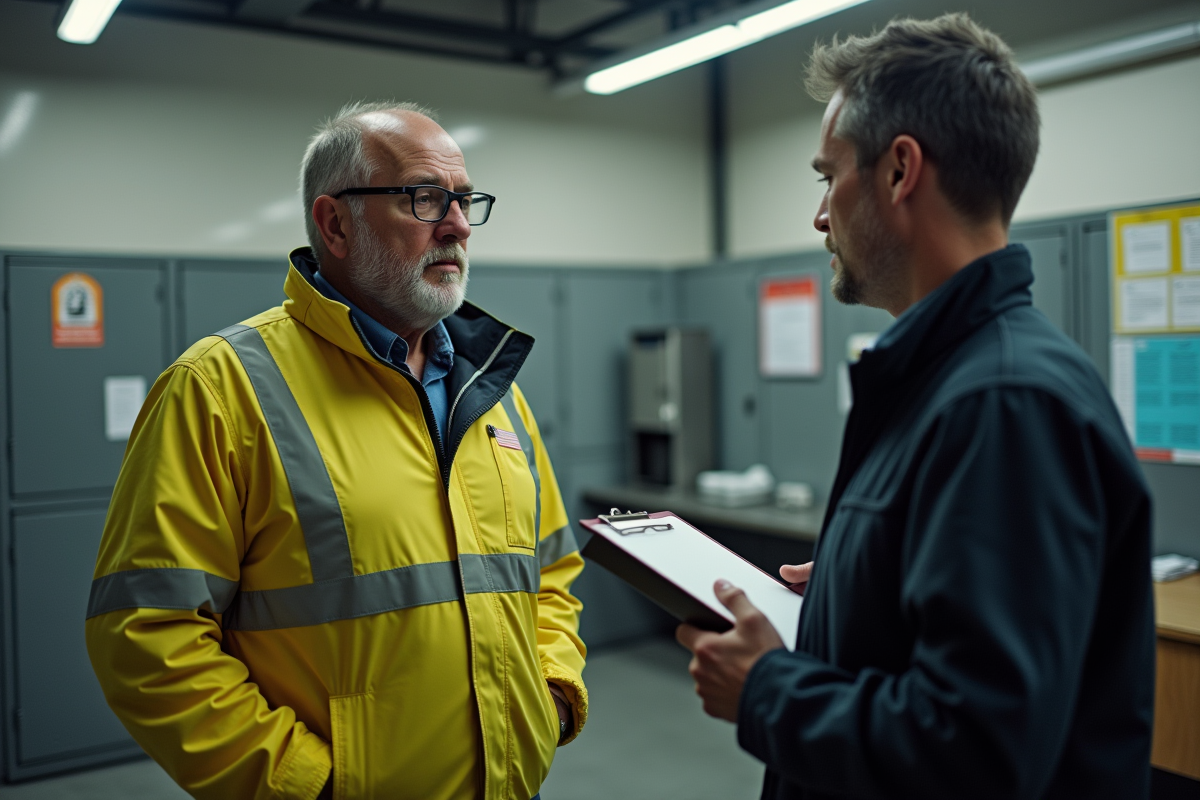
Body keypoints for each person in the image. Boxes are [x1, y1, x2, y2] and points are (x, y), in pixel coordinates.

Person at [677, 15, 1155, 800]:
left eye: (828, 176)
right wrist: (843, 595)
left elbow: (980, 752)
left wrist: (767, 690)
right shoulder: (946, 379)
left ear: (900, 171)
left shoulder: (1003, 404)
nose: (821, 215)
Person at [86, 101, 587, 800]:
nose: (459, 226)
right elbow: (145, 636)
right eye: (425, 198)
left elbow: (551, 570)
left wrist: (553, 689)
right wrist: (308, 786)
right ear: (334, 223)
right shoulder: (220, 388)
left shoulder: (491, 387)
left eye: (466, 201)